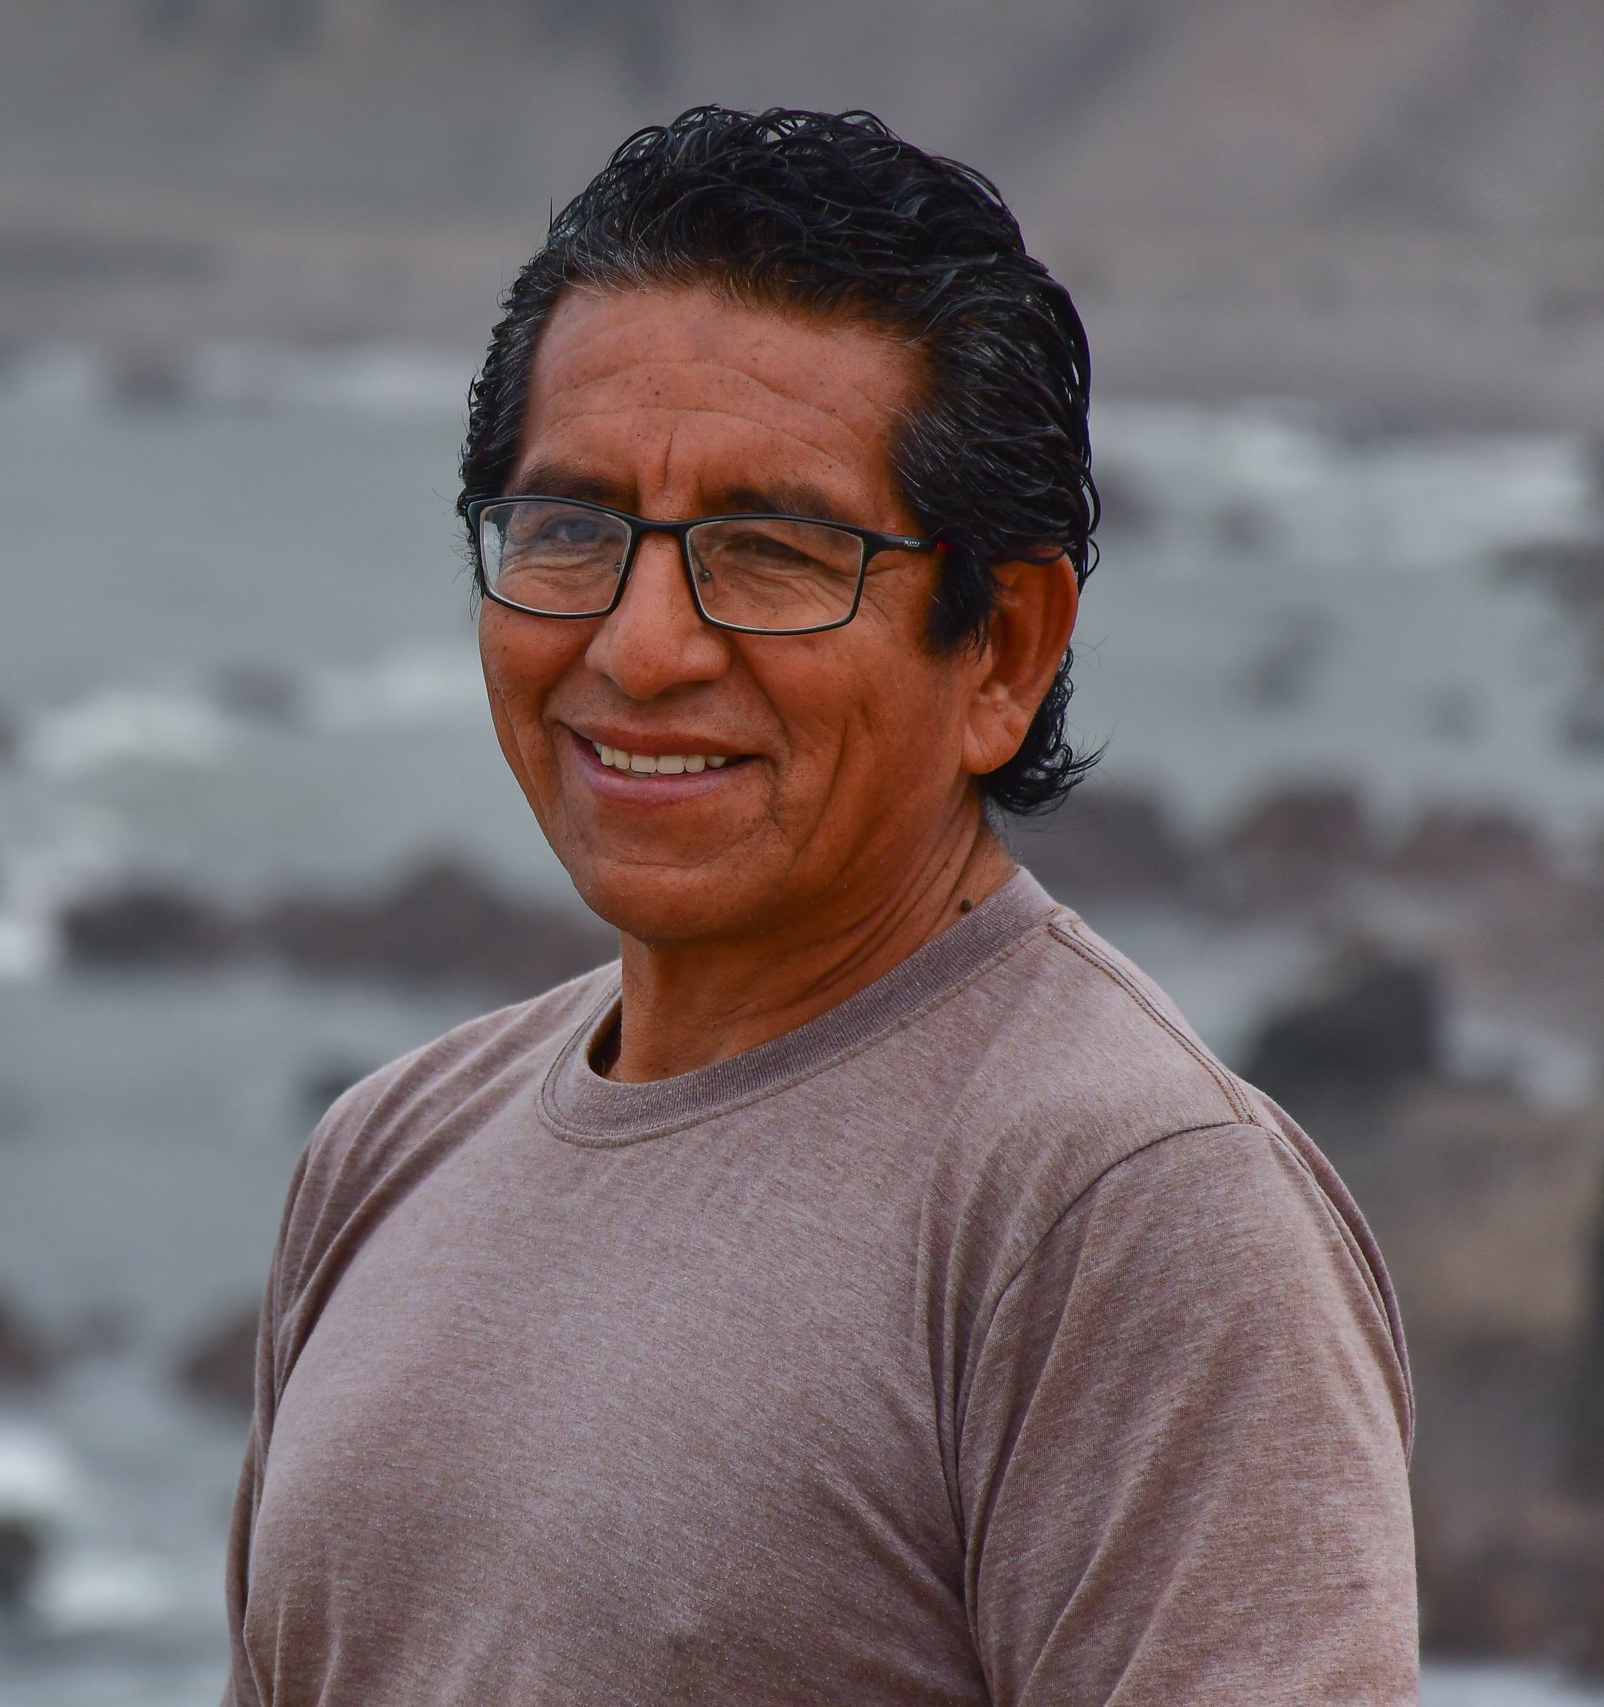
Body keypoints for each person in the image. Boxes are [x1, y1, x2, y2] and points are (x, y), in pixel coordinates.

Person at [222, 107, 1414, 1705]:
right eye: (571, 529)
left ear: (1002, 649)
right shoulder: (385, 1153)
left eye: (773, 549)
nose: (644, 646)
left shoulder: (1131, 1209)